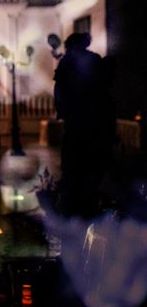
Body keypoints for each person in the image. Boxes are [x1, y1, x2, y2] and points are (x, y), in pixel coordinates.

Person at [53, 32, 113, 218]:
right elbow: (105, 90)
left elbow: (59, 91)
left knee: (75, 162)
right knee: (89, 163)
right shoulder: (92, 60)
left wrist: (62, 109)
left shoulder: (68, 61)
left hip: (78, 118)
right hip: (92, 119)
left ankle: (77, 203)